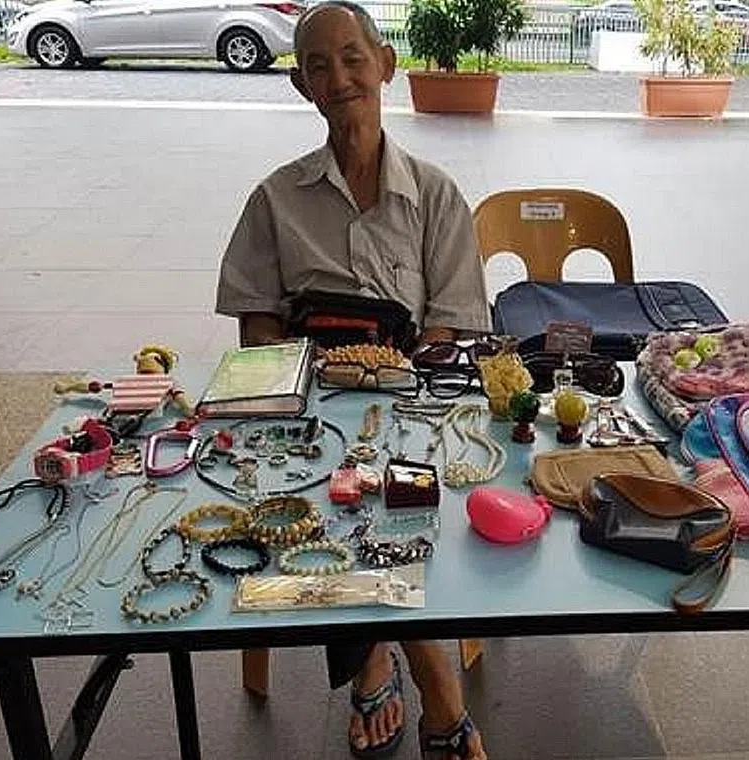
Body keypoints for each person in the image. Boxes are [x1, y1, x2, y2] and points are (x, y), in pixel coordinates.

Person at [214, 3, 490, 758]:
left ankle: (376, 660)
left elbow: (449, 329)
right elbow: (257, 329)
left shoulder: (435, 194)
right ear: (301, 85)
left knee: (394, 491)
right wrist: (303, 391)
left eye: (351, 58)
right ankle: (434, 684)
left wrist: (394, 380)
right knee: (326, 496)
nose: (337, 77)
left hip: (412, 400)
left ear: (386, 64)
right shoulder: (275, 198)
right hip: (308, 408)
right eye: (317, 65)